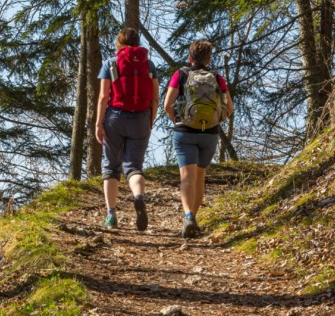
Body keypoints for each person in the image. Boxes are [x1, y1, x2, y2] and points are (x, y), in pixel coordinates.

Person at [163, 40, 233, 238]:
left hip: (184, 132)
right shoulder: (217, 77)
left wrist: (178, 120)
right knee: (200, 176)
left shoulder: (181, 74)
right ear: (209, 59)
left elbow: (168, 104)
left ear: (189, 57)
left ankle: (188, 217)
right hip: (209, 134)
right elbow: (229, 109)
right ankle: (194, 216)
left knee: (187, 176)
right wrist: (215, 121)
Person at [96, 27, 159, 231]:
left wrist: (99, 123)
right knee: (134, 166)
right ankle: (139, 197)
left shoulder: (110, 63)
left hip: (115, 116)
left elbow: (103, 97)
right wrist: (150, 120)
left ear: (119, 43)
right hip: (141, 117)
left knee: (111, 166)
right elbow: (156, 98)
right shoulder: (149, 64)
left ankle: (111, 216)